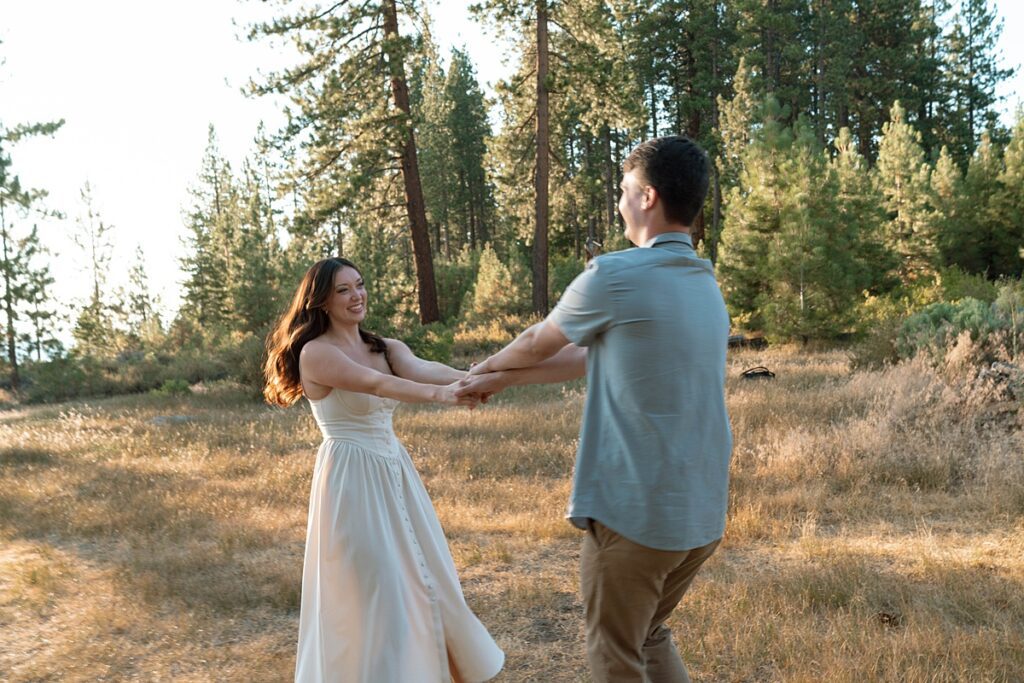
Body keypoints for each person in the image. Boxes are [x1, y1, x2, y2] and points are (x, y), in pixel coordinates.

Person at [459, 136, 732, 683]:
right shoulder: (704, 283)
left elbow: (540, 339)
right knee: (648, 634)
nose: (620, 202)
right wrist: (498, 382)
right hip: (699, 513)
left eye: (626, 190)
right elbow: (585, 355)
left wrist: (481, 368)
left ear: (649, 197)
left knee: (615, 657)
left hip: (638, 513)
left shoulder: (617, 274)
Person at [264, 257, 504, 683]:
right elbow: (377, 384)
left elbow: (421, 369)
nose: (357, 296)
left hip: (394, 470)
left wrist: (478, 378)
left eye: (359, 285)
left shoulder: (385, 347)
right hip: (351, 478)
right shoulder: (316, 353)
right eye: (344, 290)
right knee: (382, 591)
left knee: (425, 578)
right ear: (321, 300)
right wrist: (441, 397)